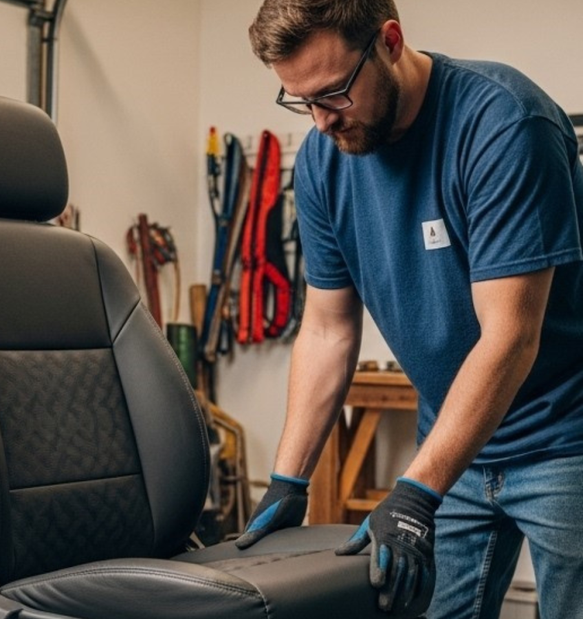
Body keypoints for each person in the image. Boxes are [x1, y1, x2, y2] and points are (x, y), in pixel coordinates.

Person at [235, 1, 583, 617]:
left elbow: (510, 336)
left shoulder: (504, 124)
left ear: (390, 41)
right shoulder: (323, 161)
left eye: (334, 93)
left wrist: (416, 491)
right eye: (300, 100)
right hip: (454, 441)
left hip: (565, 440)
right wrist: (288, 479)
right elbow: (326, 328)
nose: (320, 122)